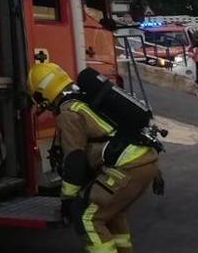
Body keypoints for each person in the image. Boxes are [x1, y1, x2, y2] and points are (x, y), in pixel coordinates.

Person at [28, 61, 161, 253]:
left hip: (128, 167)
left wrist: (68, 199)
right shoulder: (85, 99)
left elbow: (75, 159)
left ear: (43, 95)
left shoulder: (69, 113)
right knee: (112, 214)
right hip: (146, 161)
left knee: (87, 217)